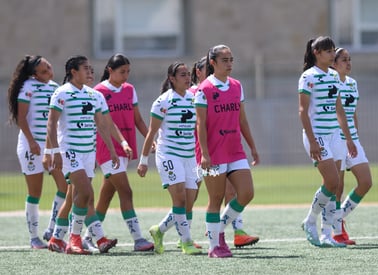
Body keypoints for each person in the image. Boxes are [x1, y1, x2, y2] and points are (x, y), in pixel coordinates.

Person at [44, 55, 119, 255]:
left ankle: (57, 238)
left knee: (77, 197)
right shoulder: (61, 93)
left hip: (88, 152)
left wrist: (112, 150)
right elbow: (51, 124)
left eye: (90, 68)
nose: (89, 72)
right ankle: (74, 240)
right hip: (70, 151)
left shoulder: (94, 95)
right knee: (85, 193)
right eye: (85, 68)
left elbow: (102, 125)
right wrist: (53, 151)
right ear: (73, 72)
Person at [194, 44, 260, 258]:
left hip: (235, 150)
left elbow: (242, 120)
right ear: (212, 63)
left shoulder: (237, 86)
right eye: (225, 60)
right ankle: (214, 247)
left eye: (231, 60)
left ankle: (218, 229)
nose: (230, 64)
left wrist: (252, 146)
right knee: (216, 197)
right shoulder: (204, 89)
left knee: (247, 193)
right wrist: (204, 153)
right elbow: (200, 125)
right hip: (212, 153)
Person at [88, 53, 154, 252]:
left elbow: (138, 120)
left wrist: (151, 140)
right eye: (121, 71)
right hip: (107, 148)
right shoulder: (98, 91)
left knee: (106, 196)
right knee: (126, 191)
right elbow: (101, 123)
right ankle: (138, 239)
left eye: (128, 71)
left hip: (125, 147)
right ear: (110, 70)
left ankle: (88, 238)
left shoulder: (129, 90)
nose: (126, 75)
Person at [137, 61, 202, 255]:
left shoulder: (194, 98)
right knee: (180, 198)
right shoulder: (163, 102)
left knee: (189, 201)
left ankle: (159, 230)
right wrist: (143, 161)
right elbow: (151, 133)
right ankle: (186, 242)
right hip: (169, 155)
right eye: (182, 74)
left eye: (187, 74)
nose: (187, 77)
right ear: (172, 79)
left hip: (189, 156)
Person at [298, 36, 357, 247]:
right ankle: (310, 220)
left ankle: (326, 234)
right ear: (317, 53)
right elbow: (303, 111)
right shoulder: (308, 77)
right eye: (329, 51)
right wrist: (312, 141)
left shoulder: (334, 75)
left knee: (336, 186)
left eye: (333, 51)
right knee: (331, 181)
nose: (333, 54)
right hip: (318, 135)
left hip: (335, 136)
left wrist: (348, 138)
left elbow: (339, 109)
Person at [7, 55, 68, 249]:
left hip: (51, 146)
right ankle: (34, 237)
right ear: (34, 74)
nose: (49, 72)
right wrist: (32, 142)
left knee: (64, 187)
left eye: (49, 67)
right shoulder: (27, 88)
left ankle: (51, 229)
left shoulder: (55, 87)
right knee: (35, 192)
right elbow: (21, 118)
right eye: (44, 71)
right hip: (31, 146)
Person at [328, 47, 373, 245]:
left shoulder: (353, 84)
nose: (348, 63)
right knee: (337, 187)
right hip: (336, 139)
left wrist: (355, 136)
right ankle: (337, 232)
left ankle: (338, 217)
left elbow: (352, 112)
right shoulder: (329, 81)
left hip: (352, 140)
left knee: (366, 181)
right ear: (333, 63)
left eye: (349, 59)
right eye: (343, 59)